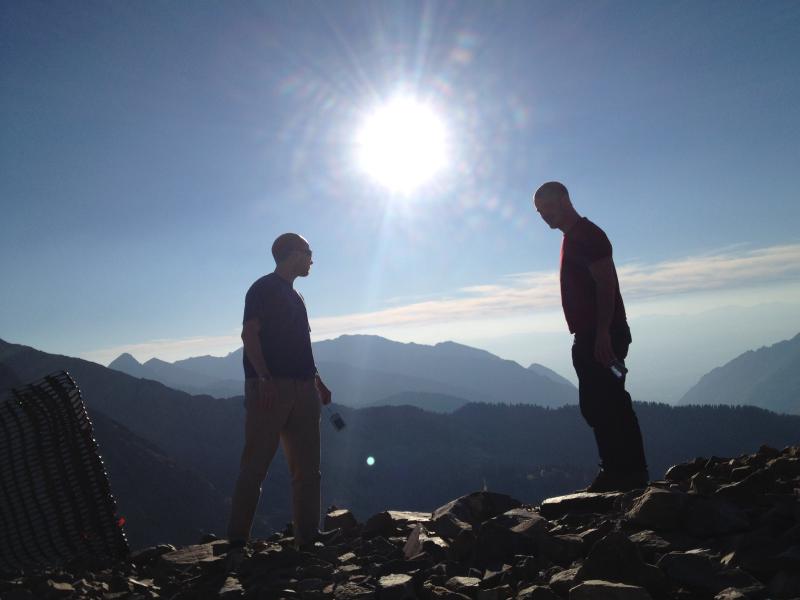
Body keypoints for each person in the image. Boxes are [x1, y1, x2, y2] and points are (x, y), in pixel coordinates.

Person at [532, 182, 648, 492]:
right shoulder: (574, 238)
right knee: (604, 403)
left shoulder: (588, 236)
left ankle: (623, 474)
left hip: (601, 334)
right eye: (540, 212)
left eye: (548, 208)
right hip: (593, 334)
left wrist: (601, 335)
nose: (544, 216)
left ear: (565, 200)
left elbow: (606, 284)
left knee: (605, 403)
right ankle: (625, 472)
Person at [227, 233, 338, 550]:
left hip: (303, 388)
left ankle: (308, 535)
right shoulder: (263, 289)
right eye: (309, 252)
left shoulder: (295, 296)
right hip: (272, 389)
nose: (312, 259)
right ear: (293, 254)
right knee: (255, 465)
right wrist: (263, 378)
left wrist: (317, 380)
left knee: (308, 468)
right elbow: (249, 334)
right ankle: (237, 541)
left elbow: (299, 344)